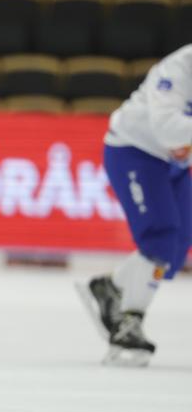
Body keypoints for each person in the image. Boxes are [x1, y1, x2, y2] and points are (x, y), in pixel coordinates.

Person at [77, 44, 191, 367]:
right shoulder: (178, 69)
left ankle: (109, 286)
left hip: (173, 162)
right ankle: (130, 321)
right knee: (160, 236)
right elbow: (168, 128)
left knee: (179, 244)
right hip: (134, 150)